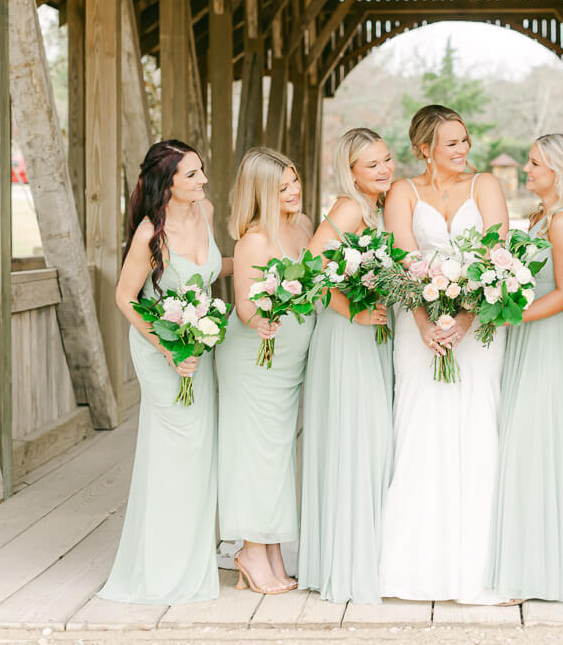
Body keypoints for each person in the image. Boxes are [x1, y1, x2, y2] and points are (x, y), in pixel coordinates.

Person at [379, 104, 510, 605]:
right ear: (424, 149)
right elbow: (402, 260)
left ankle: (479, 568)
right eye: (452, 143)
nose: (463, 150)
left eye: (465, 140)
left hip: (477, 330)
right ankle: (414, 568)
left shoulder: (488, 188)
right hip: (420, 330)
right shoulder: (402, 193)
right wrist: (425, 324)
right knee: (421, 429)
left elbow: (498, 256)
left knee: (479, 427)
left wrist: (465, 319)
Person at [101, 139, 229, 605]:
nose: (203, 181)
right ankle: (161, 570)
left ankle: (193, 562)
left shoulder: (205, 212)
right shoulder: (149, 234)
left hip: (201, 348)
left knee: (200, 452)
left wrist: (265, 270)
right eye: (192, 175)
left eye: (201, 171)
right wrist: (169, 350)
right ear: (167, 183)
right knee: (177, 451)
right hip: (162, 352)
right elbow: (125, 297)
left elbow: (213, 268)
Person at [485, 134, 563, 603]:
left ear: (562, 172)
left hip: (551, 343)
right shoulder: (539, 217)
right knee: (524, 445)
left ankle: (539, 571)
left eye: (534, 164)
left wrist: (505, 316)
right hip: (531, 338)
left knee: (539, 445)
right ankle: (529, 560)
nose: (526, 171)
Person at [298, 128, 396, 604]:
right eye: (372, 165)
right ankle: (347, 563)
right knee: (357, 440)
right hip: (346, 338)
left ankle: (368, 554)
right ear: (351, 171)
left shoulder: (377, 208)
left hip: (373, 337)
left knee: (372, 442)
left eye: (387, 160)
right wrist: (351, 310)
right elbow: (309, 269)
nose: (384, 170)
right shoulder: (349, 208)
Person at [216, 147, 316, 595]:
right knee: (259, 453)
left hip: (290, 360)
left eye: (294, 181)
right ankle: (251, 549)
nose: (293, 192)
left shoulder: (305, 226)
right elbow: (244, 307)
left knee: (278, 455)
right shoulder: (254, 239)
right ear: (262, 192)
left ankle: (271, 547)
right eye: (282, 188)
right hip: (258, 359)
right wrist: (261, 317)